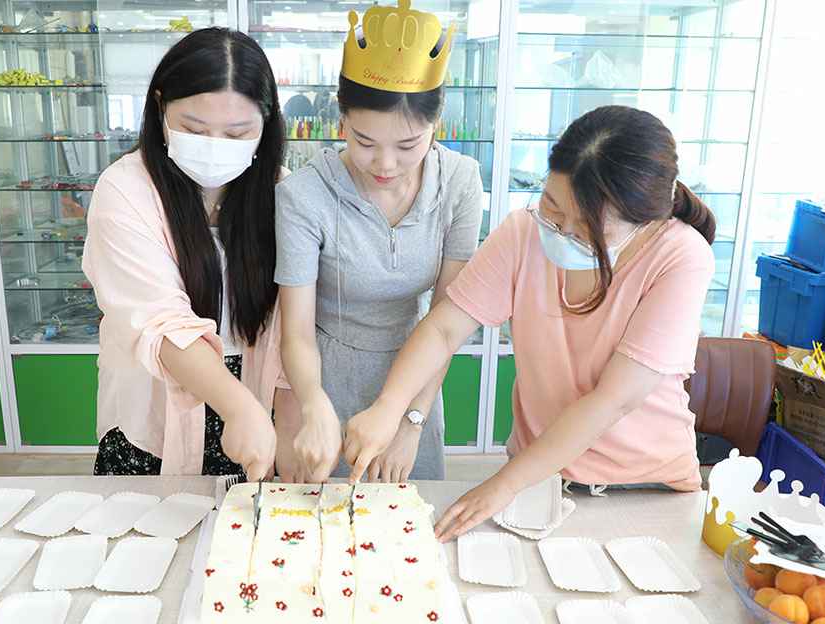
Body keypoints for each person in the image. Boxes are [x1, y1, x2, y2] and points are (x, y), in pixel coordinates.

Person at [343, 105, 717, 541]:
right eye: (552, 207)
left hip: (644, 490)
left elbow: (612, 400)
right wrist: (389, 407)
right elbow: (444, 328)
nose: (561, 231)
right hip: (542, 480)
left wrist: (501, 486)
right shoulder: (524, 233)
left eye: (586, 229)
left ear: (642, 221)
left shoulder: (680, 257)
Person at [272, 0, 483, 483]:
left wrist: (412, 421)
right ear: (342, 118)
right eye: (364, 141)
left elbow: (445, 322)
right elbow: (296, 332)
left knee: (406, 514)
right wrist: (313, 403)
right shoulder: (304, 195)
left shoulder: (460, 183)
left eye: (408, 145)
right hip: (321, 376)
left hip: (418, 377)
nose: (385, 164)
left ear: (436, 123)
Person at [82, 28, 287, 480]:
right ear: (160, 107)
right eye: (194, 129)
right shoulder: (125, 190)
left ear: (266, 124)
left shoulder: (281, 193)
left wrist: (277, 413)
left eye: (237, 133)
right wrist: (239, 406)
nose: (214, 146)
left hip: (254, 408)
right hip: (154, 418)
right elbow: (160, 320)